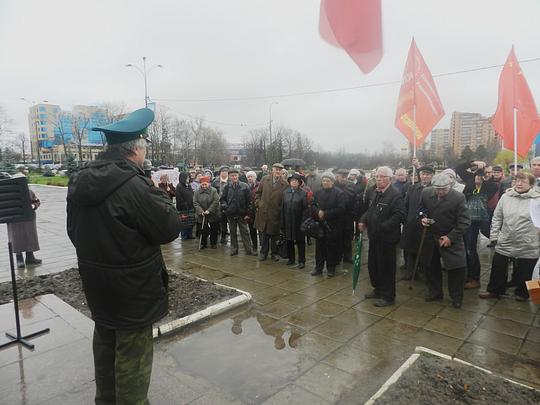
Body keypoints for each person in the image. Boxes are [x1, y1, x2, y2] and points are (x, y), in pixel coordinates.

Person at [66, 108, 183, 405]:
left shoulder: (80, 180)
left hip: (97, 283)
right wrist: (157, 193)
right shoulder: (136, 186)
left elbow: (73, 231)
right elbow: (168, 229)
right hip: (133, 289)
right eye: (144, 148)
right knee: (133, 354)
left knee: (105, 343)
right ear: (137, 149)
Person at [479, 172, 540, 301]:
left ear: (531, 185)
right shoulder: (506, 197)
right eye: (516, 180)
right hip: (506, 239)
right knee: (498, 267)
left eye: (523, 181)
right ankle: (495, 290)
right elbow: (497, 217)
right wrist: (494, 235)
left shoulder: (537, 199)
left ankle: (522, 293)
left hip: (528, 242)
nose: (518, 183)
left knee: (526, 270)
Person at [419, 173, 470, 309]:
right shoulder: (425, 193)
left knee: (456, 268)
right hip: (431, 236)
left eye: (444, 189)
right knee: (430, 266)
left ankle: (456, 297)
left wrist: (450, 237)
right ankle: (435, 292)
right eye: (437, 189)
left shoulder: (459, 198)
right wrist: (423, 217)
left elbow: (464, 222)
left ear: (450, 186)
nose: (440, 192)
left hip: (450, 236)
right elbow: (421, 209)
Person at [358, 167, 405, 307]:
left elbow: (400, 215)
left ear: (389, 179)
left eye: (382, 176)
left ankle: (388, 296)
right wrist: (362, 220)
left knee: (386, 267)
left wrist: (383, 226)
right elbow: (370, 210)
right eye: (377, 176)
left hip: (387, 238)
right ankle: (378, 289)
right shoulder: (374, 191)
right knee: (374, 265)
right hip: (374, 236)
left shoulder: (395, 194)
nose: (379, 179)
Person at [463, 170, 498, 289]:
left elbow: (492, 186)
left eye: (481, 176)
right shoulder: (469, 186)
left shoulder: (489, 187)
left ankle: (474, 278)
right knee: (468, 249)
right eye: (476, 176)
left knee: (472, 249)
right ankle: (471, 277)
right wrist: (475, 168)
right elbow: (460, 168)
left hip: (482, 219)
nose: (478, 178)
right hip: (469, 221)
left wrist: (485, 177)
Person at [399, 165, 434, 280]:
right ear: (419, 175)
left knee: (425, 251)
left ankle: (425, 273)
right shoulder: (412, 188)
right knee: (410, 249)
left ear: (432, 176)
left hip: (425, 225)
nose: (425, 176)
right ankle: (410, 273)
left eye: (428, 174)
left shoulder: (435, 189)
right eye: (423, 174)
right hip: (411, 224)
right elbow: (406, 205)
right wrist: (405, 219)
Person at [311, 172, 346, 277]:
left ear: (332, 181)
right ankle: (318, 268)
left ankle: (331, 268)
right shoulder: (318, 192)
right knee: (319, 247)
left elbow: (341, 209)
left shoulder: (339, 193)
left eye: (328, 180)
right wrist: (318, 211)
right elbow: (312, 205)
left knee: (331, 247)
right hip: (320, 225)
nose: (325, 182)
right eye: (324, 180)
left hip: (333, 225)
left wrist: (325, 214)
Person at [7, 173, 42, 268]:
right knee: (16, 238)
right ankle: (19, 259)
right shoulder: (10, 193)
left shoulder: (29, 191)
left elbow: (36, 201)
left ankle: (30, 258)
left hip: (28, 219)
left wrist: (34, 205)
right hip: (15, 220)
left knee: (29, 237)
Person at [255, 163, 288, 261]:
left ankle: (274, 253)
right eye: (276, 169)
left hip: (276, 213)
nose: (277, 171)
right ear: (272, 170)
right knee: (264, 234)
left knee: (275, 234)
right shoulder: (265, 179)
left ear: (282, 172)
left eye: (279, 170)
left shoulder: (285, 184)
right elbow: (258, 192)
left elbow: (285, 200)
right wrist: (258, 203)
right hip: (264, 211)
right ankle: (263, 253)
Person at [220, 168, 255, 256]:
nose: (234, 177)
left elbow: (250, 201)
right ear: (229, 176)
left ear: (238, 176)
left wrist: (248, 213)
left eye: (235, 175)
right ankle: (234, 249)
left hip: (242, 214)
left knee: (245, 233)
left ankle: (248, 249)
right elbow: (222, 200)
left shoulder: (245, 186)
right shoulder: (226, 187)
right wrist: (226, 208)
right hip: (231, 213)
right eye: (232, 175)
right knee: (232, 232)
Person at [282, 173, 308, 268]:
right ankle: (291, 259)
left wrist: (303, 222)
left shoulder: (303, 193)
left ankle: (302, 261)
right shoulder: (285, 192)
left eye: (296, 181)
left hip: (298, 221)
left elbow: (305, 209)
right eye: (292, 180)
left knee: (300, 242)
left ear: (299, 183)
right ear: (289, 182)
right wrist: (282, 222)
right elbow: (282, 207)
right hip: (288, 221)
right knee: (289, 241)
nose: (293, 182)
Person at [334, 168, 358, 263]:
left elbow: (355, 200)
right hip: (337, 216)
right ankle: (337, 256)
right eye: (341, 177)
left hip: (348, 216)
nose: (343, 179)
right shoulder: (334, 185)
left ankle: (347, 256)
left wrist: (354, 213)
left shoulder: (351, 185)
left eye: (345, 177)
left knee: (348, 236)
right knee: (337, 237)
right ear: (337, 177)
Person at [193, 176, 220, 249]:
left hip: (212, 213)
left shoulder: (214, 191)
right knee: (202, 229)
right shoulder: (196, 192)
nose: (204, 186)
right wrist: (201, 211)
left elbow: (216, 201)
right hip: (201, 214)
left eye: (205, 184)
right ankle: (203, 243)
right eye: (202, 184)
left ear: (209, 183)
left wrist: (209, 210)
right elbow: (195, 202)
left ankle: (213, 243)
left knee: (214, 229)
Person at [212, 166, 230, 244]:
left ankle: (225, 234)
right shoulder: (215, 181)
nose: (224, 173)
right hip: (218, 204)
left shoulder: (230, 181)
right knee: (221, 221)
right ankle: (222, 236)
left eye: (226, 172)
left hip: (228, 203)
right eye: (223, 171)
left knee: (228, 220)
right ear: (220, 172)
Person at [176, 171, 195, 240]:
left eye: (188, 178)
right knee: (184, 223)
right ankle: (184, 236)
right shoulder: (179, 186)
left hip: (191, 207)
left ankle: (190, 235)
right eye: (186, 178)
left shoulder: (189, 186)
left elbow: (192, 195)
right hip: (183, 208)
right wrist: (185, 205)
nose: (188, 179)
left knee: (191, 222)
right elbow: (179, 198)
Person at [245, 170, 260, 251]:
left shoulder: (259, 185)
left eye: (252, 176)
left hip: (257, 211)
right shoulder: (245, 186)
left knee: (260, 230)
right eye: (249, 177)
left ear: (255, 177)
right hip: (249, 212)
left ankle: (262, 245)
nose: (250, 178)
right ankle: (254, 246)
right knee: (252, 230)